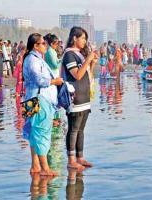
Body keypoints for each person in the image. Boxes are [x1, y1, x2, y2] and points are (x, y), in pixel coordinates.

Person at [23, 33, 64, 176]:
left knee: (34, 132)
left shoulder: (34, 59)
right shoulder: (32, 60)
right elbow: (39, 80)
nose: (45, 45)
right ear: (36, 46)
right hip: (38, 99)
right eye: (43, 43)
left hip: (31, 98)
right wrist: (55, 82)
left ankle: (35, 166)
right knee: (42, 131)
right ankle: (45, 168)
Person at [62, 27, 98, 170]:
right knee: (74, 129)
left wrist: (92, 62)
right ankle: (71, 160)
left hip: (84, 95)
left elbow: (87, 73)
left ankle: (80, 157)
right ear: (74, 38)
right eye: (82, 38)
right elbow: (77, 75)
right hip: (75, 96)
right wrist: (88, 59)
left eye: (85, 39)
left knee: (81, 129)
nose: (84, 41)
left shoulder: (80, 54)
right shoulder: (69, 55)